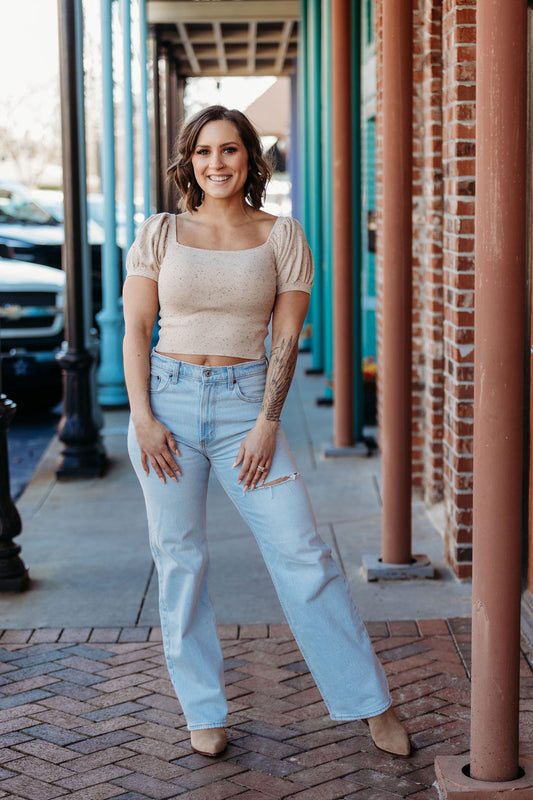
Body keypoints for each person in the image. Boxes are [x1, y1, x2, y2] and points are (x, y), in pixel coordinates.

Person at [123, 105, 411, 759]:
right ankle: (202, 709)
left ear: (251, 159)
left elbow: (285, 337)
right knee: (179, 561)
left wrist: (266, 422)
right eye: (202, 152)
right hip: (166, 407)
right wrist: (141, 418)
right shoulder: (160, 232)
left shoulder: (281, 235)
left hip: (246, 410)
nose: (215, 163)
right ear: (188, 162)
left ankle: (369, 703)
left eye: (228, 150)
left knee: (303, 554)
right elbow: (137, 330)